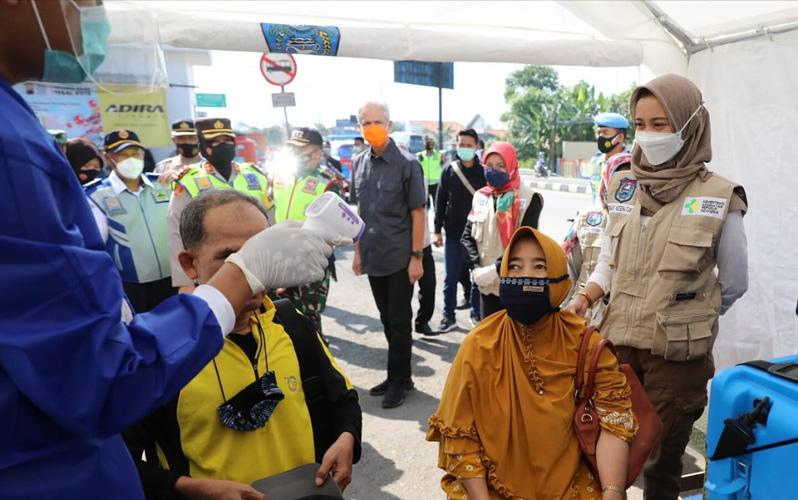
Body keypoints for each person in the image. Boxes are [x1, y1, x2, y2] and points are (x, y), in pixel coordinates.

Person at [0, 1, 338, 497]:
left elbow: (333, 397)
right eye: (86, 2)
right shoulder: (13, 149)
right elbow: (102, 378)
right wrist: (239, 278)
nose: (93, 18)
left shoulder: (284, 324)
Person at [563, 74, 749, 499]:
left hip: (675, 360)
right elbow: (609, 259)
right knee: (603, 452)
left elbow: (734, 282)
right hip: (615, 349)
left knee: (660, 466)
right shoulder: (623, 182)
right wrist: (583, 297)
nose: (648, 134)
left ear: (689, 125)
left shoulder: (720, 196)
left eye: (661, 123)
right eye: (641, 123)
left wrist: (688, 315)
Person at [126, 190, 362, 499]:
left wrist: (347, 439)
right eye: (229, 257)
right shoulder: (164, 351)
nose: (252, 269)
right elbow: (118, 463)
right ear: (189, 264)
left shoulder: (291, 324)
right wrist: (187, 488)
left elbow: (343, 398)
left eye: (258, 252)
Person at [428, 226, 636, 499]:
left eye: (539, 267)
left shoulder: (584, 343)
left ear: (559, 279)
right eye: (514, 267)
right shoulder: (479, 344)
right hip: (491, 489)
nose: (526, 275)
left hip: (573, 488)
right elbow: (460, 436)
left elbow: (614, 420)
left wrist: (612, 491)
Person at [350, 101, 427, 409]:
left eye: (377, 122)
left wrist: (416, 257)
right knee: (385, 318)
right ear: (360, 128)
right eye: (366, 122)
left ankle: (399, 381)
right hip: (373, 255)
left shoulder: (408, 163)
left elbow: (418, 213)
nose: (372, 127)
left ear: (390, 125)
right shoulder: (358, 162)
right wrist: (358, 252)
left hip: (399, 256)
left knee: (399, 320)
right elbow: (359, 213)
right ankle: (401, 375)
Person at [167, 117, 275, 292]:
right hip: (216, 269)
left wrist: (278, 264)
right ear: (202, 146)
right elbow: (175, 233)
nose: (223, 145)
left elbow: (271, 223)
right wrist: (184, 281)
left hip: (259, 265)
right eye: (214, 141)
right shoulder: (188, 180)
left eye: (226, 140)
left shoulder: (254, 175)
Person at [85, 129, 175, 312]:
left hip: (172, 280)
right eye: (123, 155)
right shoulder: (96, 195)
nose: (131, 159)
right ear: (108, 157)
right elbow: (94, 247)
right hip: (130, 286)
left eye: (135, 154)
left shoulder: (163, 184)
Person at [562, 113, 632, 325]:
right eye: (599, 132)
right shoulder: (597, 162)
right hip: (596, 220)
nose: (600, 137)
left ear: (619, 137)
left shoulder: (627, 164)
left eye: (605, 133)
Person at [462, 141, 544, 320]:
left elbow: (525, 242)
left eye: (500, 166)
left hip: (516, 287)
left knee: (515, 343)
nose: (493, 170)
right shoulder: (481, 196)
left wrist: (495, 269)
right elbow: (467, 236)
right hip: (487, 287)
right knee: (490, 342)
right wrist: (476, 268)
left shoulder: (529, 198)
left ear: (512, 166)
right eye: (489, 165)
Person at [272, 127, 342, 334]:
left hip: (310, 261)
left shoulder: (327, 182)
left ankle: (315, 360)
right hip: (277, 258)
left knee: (308, 318)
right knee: (280, 315)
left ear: (317, 153)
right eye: (292, 147)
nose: (295, 153)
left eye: (301, 149)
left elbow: (334, 229)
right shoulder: (278, 176)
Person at [433, 128, 487, 333]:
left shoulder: (483, 173)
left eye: (468, 145)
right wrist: (437, 230)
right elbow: (440, 201)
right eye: (461, 144)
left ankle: (476, 313)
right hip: (454, 234)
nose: (464, 148)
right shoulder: (449, 170)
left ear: (476, 147)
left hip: (477, 234)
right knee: (450, 277)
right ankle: (448, 316)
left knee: (476, 275)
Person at [418, 135, 444, 206]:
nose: (429, 144)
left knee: (437, 204)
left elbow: (443, 165)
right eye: (427, 142)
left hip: (436, 183)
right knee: (425, 205)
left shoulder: (439, 155)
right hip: (424, 183)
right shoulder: (420, 155)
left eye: (431, 142)